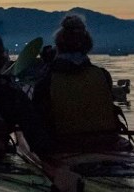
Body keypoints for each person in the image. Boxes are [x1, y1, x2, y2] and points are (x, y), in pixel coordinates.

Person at [32, 15, 121, 151]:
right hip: (106, 142)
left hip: (65, 145)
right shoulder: (103, 75)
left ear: (58, 45)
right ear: (87, 45)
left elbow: (37, 120)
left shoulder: (46, 81)